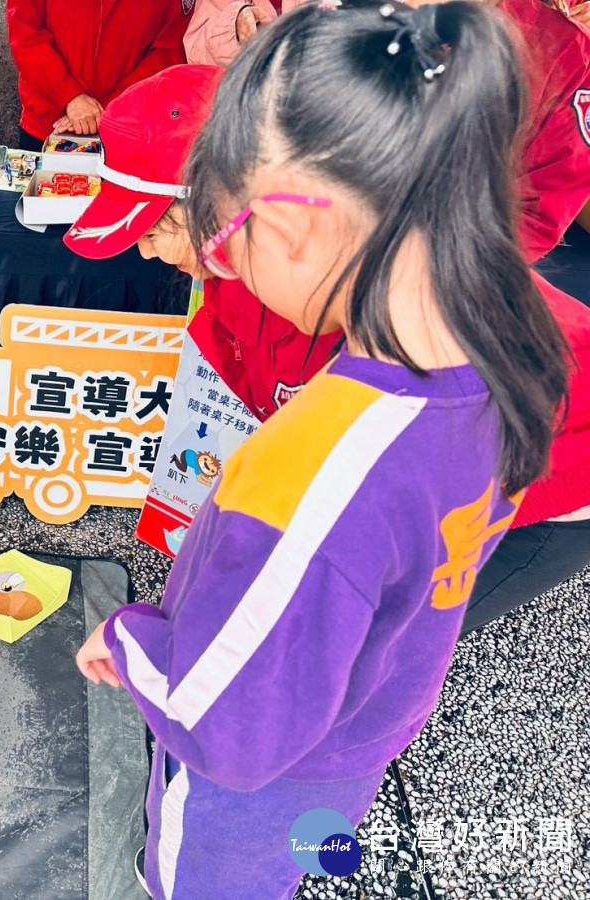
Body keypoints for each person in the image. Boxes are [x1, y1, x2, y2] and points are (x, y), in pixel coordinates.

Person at [74, 3, 570, 898]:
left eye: (226, 237)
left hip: (246, 791)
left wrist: (129, 637)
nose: (223, 268)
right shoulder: (501, 354)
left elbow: (226, 728)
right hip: (360, 734)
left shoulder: (314, 471)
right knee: (304, 851)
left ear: (290, 225)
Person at [67, 64, 590, 639]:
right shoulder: (248, 265)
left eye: (151, 232)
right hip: (432, 445)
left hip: (543, 454)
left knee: (392, 636)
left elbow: (367, 500)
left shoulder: (366, 301)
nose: (146, 255)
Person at [184, 0, 590, 264]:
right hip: (314, 263)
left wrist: (433, 268)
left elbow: (538, 212)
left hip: (451, 288)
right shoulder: (349, 16)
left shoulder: (563, 52)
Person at [5, 0, 189, 150]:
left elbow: (168, 51)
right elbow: (25, 35)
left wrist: (113, 107)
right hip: (48, 122)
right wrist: (69, 96)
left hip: (128, 129)